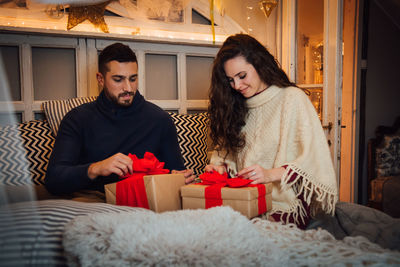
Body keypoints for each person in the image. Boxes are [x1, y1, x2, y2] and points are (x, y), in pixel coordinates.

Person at [205, 34, 338, 228]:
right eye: (230, 80)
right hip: (244, 199)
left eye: (242, 76)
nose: (237, 86)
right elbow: (228, 157)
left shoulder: (292, 99)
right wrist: (220, 168)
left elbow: (313, 159)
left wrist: (269, 174)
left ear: (259, 64)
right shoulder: (234, 106)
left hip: (284, 204)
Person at [45, 42, 194, 197]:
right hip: (94, 201)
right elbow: (54, 180)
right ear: (100, 79)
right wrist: (96, 168)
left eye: (133, 79)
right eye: (118, 79)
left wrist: (181, 178)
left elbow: (176, 173)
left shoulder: (160, 120)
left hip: (145, 203)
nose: (128, 88)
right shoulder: (77, 118)